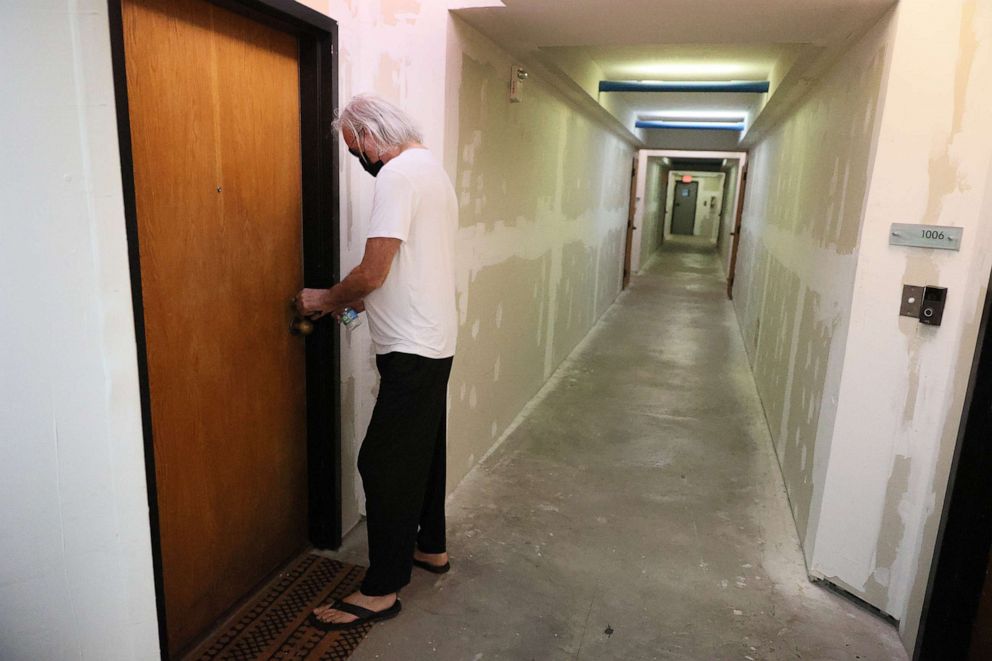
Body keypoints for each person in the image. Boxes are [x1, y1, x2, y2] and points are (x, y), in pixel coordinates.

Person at [296, 94, 458, 630]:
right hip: (433, 339)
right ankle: (430, 547)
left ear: (369, 136)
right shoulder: (430, 168)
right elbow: (409, 263)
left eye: (351, 148)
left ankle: (381, 590)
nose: (355, 159)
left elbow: (373, 270)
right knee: (424, 450)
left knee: (382, 464)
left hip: (411, 347)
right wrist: (361, 299)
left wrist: (325, 299)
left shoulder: (395, 176)